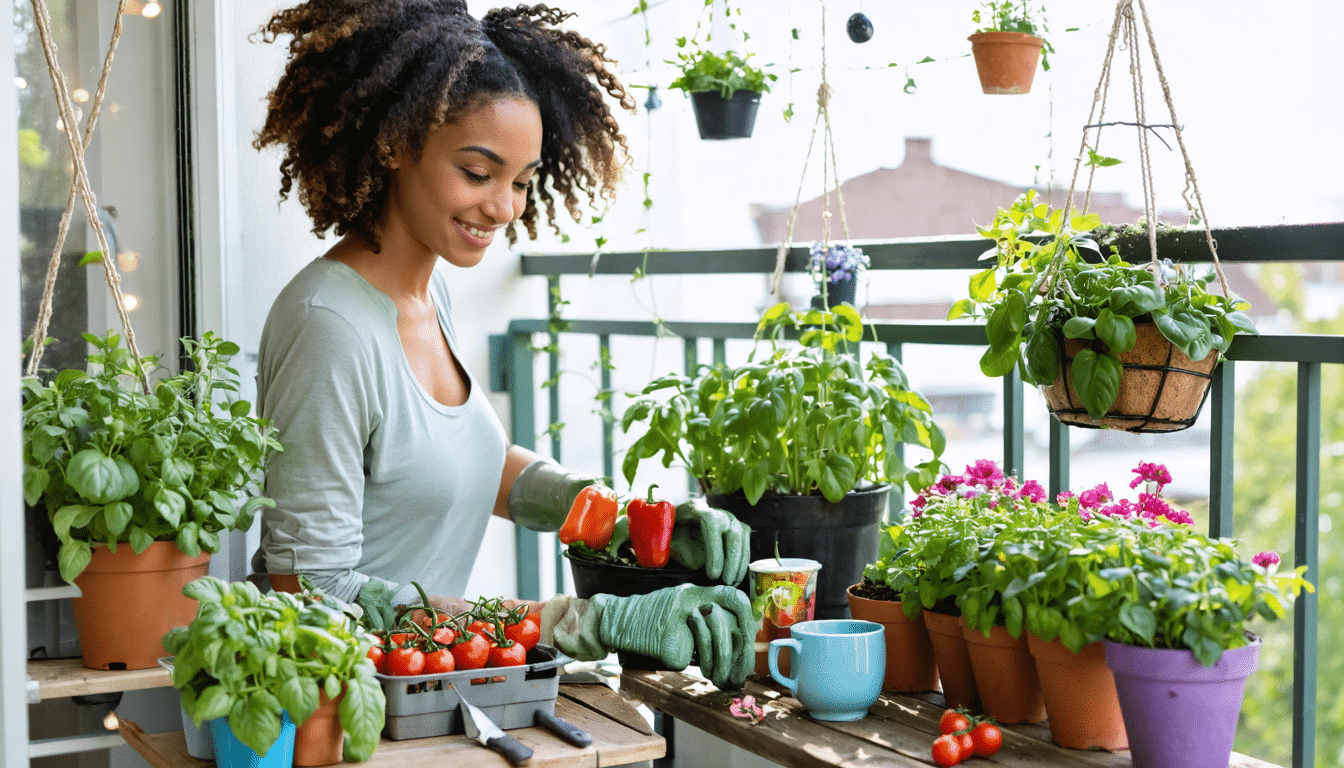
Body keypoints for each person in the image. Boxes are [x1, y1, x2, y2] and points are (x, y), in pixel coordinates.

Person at [247, 0, 753, 688]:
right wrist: (576, 621)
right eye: (478, 173)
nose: (505, 207)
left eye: (520, 181)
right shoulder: (328, 326)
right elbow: (313, 591)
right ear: (395, 143)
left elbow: (455, 459)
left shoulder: (429, 292)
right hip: (343, 713)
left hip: (432, 691)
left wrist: (619, 521)